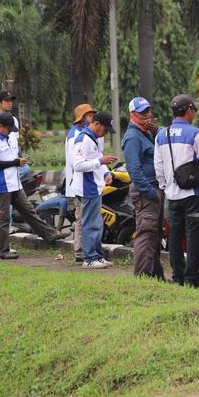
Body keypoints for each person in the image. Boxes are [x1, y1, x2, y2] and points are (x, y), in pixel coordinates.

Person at [155, 94, 199, 289]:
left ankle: (178, 275)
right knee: (194, 235)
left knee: (175, 234)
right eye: (194, 110)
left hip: (172, 194)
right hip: (194, 193)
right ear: (188, 111)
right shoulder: (195, 133)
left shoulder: (162, 135)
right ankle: (192, 278)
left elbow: (158, 165)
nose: (194, 113)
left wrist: (164, 186)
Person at [0, 112, 62, 258]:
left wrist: (19, 161)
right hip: (2, 185)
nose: (10, 132)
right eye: (8, 129)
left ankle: (50, 234)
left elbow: (12, 159)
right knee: (3, 219)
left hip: (15, 183)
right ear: (0, 126)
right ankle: (2, 251)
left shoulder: (9, 139)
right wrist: (15, 162)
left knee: (29, 210)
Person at [122, 97, 164, 279]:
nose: (147, 115)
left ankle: (156, 276)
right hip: (147, 191)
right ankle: (142, 278)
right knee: (146, 234)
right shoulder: (132, 137)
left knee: (154, 235)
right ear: (133, 115)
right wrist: (150, 192)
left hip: (154, 188)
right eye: (142, 112)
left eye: (148, 110)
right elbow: (134, 170)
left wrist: (155, 132)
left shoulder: (146, 133)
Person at [68, 110, 114, 269]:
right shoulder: (83, 139)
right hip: (86, 188)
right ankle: (89, 258)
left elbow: (96, 158)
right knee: (90, 224)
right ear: (97, 124)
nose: (106, 133)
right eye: (105, 129)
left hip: (95, 187)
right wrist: (101, 161)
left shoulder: (93, 138)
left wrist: (106, 172)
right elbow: (78, 165)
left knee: (97, 224)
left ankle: (98, 256)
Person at [65, 103, 97, 262]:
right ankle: (80, 251)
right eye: (89, 115)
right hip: (78, 183)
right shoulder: (76, 136)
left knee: (84, 218)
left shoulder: (83, 133)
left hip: (82, 182)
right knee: (82, 219)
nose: (92, 118)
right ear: (81, 118)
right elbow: (76, 162)